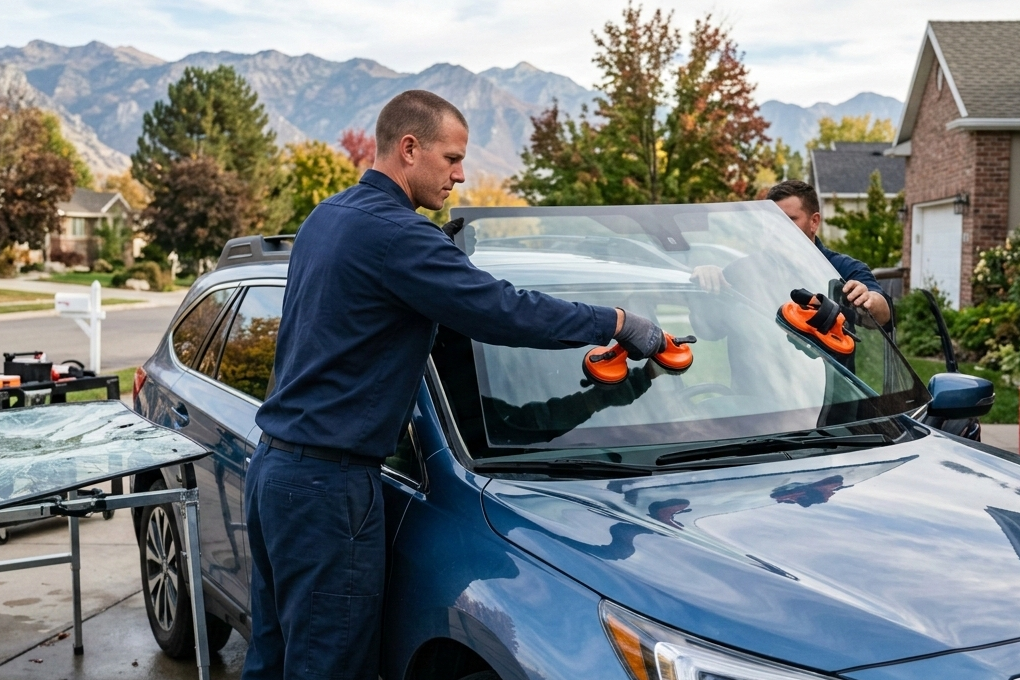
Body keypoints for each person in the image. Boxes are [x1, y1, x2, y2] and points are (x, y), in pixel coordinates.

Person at [243, 90, 666, 680]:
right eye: (451, 158)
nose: (461, 175)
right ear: (409, 148)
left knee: (271, 659)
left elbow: (352, 318)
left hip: (274, 473)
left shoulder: (327, 217)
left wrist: (437, 266)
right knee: (329, 668)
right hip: (329, 491)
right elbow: (503, 311)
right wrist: (616, 323)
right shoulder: (398, 237)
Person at [692, 180, 891, 327]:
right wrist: (707, 284)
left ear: (814, 222)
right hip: (757, 373)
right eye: (773, 221)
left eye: (789, 219)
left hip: (829, 374)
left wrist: (870, 301)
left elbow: (884, 315)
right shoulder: (743, 271)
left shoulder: (843, 269)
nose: (778, 228)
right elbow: (708, 331)